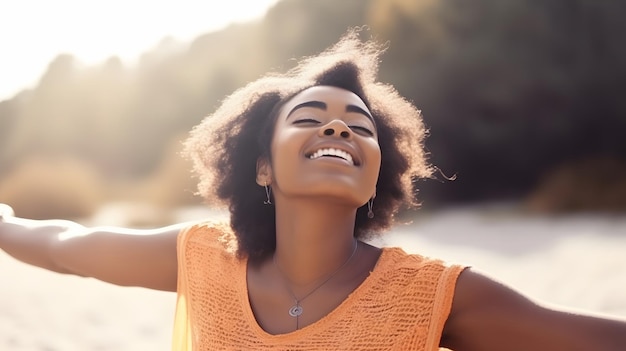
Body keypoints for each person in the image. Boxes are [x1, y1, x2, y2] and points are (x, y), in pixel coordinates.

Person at [0, 30, 625, 351]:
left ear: (378, 171)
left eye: (360, 126)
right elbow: (64, 244)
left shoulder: (438, 296)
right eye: (310, 118)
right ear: (261, 167)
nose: (338, 127)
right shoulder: (201, 259)